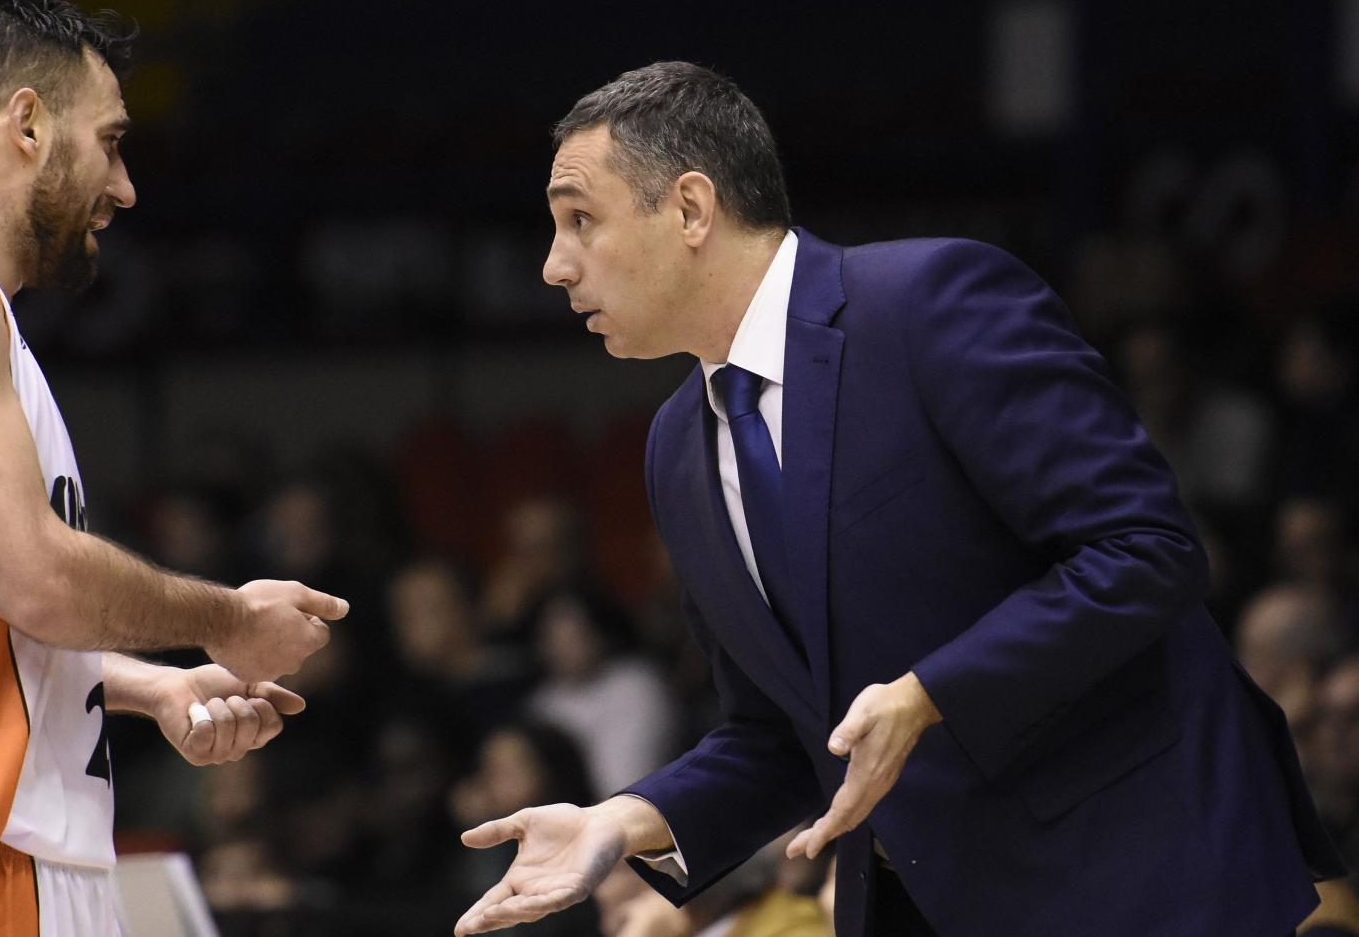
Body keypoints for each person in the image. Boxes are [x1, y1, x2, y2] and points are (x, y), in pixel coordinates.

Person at [454, 61, 1345, 937]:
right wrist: (622, 819)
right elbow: (780, 737)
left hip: (1138, 874)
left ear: (690, 208)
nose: (553, 266)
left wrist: (929, 692)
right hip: (919, 902)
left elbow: (1145, 550)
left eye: (580, 221)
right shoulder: (675, 447)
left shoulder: (931, 304)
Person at [0, 0, 347, 935]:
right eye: (112, 141)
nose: (124, 188)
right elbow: (33, 578)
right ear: (27, 124)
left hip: (4, 867)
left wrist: (148, 684)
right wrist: (228, 620)